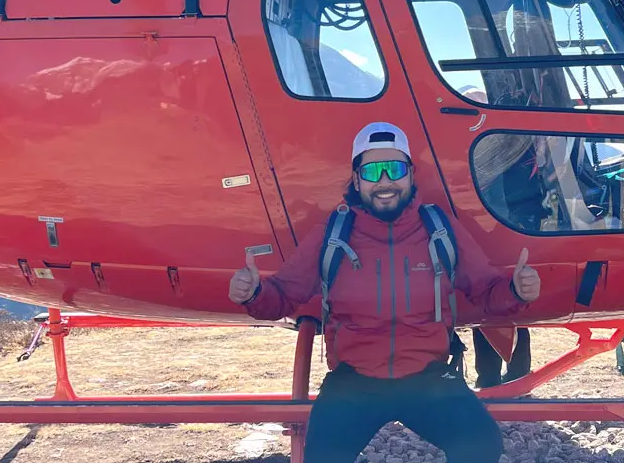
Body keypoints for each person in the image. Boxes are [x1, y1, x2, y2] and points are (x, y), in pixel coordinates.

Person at [228, 121, 541, 463]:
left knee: (480, 444)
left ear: (410, 174)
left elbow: (486, 290)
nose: (384, 181)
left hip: (428, 378)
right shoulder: (334, 233)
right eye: (372, 171)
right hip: (353, 382)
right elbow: (283, 295)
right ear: (356, 179)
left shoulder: (438, 228)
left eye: (395, 169)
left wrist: (516, 291)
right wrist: (253, 294)